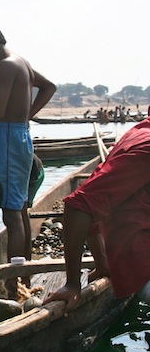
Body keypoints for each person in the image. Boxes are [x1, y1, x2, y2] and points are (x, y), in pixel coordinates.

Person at [0, 24, 56, 296]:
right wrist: (26, 116)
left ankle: (13, 281)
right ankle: (23, 275)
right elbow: (49, 87)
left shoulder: (6, 66)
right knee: (18, 210)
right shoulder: (22, 62)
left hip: (6, 140)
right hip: (16, 135)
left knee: (11, 214)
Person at [44, 117, 150, 310]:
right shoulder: (146, 147)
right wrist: (73, 284)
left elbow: (94, 200)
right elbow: (80, 204)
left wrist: (102, 265)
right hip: (141, 262)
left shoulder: (140, 131)